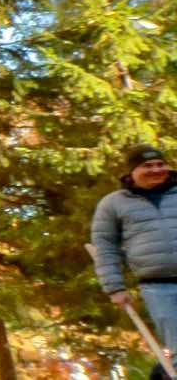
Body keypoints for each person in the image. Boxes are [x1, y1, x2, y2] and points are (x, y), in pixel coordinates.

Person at [93, 146, 177, 370]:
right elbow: (105, 247)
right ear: (131, 171)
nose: (156, 170)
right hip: (158, 288)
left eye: (160, 164)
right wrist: (115, 288)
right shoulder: (113, 203)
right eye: (147, 166)